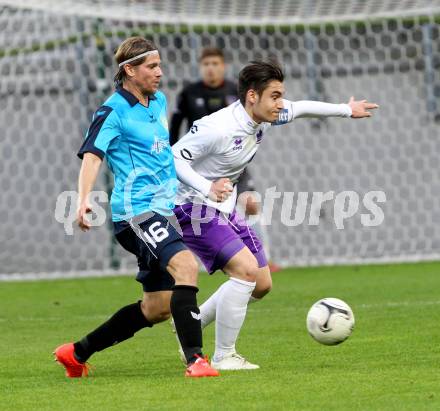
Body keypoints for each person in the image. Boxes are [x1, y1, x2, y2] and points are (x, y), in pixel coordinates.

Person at [172, 60, 378, 370]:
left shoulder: (266, 114)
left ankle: (192, 324)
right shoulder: (218, 128)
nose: (281, 104)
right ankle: (224, 355)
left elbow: (304, 107)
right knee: (244, 270)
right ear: (252, 96)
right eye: (275, 96)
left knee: (262, 283)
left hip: (224, 206)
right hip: (193, 207)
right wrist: (206, 186)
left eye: (281, 96)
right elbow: (173, 157)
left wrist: (346, 110)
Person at [53, 37, 218, 378]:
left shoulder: (157, 102)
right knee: (186, 267)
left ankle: (75, 353)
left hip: (163, 212)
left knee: (156, 308)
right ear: (129, 70)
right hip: (136, 213)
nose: (160, 72)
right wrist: (83, 198)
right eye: (152, 66)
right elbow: (92, 156)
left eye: (160, 65)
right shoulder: (112, 111)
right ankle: (197, 361)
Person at [170, 47, 280, 269]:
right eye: (206, 64)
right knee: (196, 211)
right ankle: (207, 255)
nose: (211, 69)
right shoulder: (189, 92)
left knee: (250, 204)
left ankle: (264, 257)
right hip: (200, 166)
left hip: (233, 162)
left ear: (224, 66)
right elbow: (176, 124)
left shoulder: (235, 91)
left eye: (215, 64)